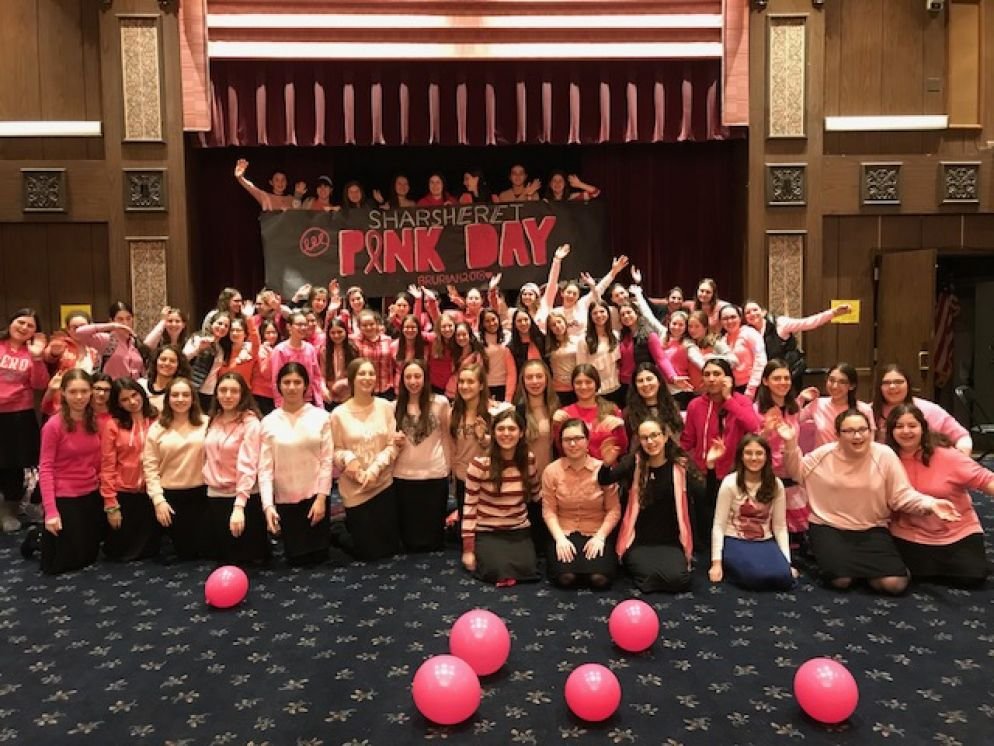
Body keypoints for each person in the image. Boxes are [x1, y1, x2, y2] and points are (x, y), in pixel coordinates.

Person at [780, 409, 960, 594]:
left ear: (870, 431)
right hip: (829, 526)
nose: (857, 436)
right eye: (849, 431)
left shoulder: (884, 455)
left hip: (871, 528)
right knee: (841, 581)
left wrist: (931, 504)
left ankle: (867, 571)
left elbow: (901, 495)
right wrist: (791, 443)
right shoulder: (823, 455)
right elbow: (797, 472)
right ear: (838, 435)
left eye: (862, 430)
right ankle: (847, 566)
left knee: (894, 585)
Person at [886, 404, 994, 586]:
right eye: (899, 426)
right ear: (891, 431)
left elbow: (985, 479)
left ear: (923, 428)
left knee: (972, 578)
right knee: (904, 576)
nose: (906, 431)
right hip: (909, 532)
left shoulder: (947, 455)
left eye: (912, 426)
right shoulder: (887, 458)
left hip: (955, 530)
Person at [599, 417, 697, 593]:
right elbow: (605, 480)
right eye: (644, 438)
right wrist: (606, 464)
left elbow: (703, 495)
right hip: (639, 541)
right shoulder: (634, 463)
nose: (650, 442)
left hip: (670, 542)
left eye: (654, 435)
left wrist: (711, 467)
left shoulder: (680, 466)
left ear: (665, 437)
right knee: (648, 577)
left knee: (680, 580)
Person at [680, 357, 762, 548]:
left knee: (731, 523)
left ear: (728, 378)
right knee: (706, 522)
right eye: (707, 374)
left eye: (717, 374)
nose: (711, 379)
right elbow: (688, 440)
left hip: (734, 472)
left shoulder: (741, 402)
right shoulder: (695, 405)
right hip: (703, 472)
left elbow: (754, 427)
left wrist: (728, 399)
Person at [258, 362, 333, 566]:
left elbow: (327, 462)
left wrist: (321, 498)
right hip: (286, 501)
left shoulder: (321, 417)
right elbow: (264, 470)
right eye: (287, 382)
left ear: (306, 385)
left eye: (297, 382)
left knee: (320, 558)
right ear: (279, 386)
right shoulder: (268, 422)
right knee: (297, 560)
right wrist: (268, 506)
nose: (292, 387)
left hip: (316, 499)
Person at [330, 358, 402, 561]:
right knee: (368, 553)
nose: (367, 378)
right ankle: (337, 530)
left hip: (382, 483)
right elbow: (335, 450)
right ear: (352, 379)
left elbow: (394, 444)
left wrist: (375, 470)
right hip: (356, 487)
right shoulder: (338, 414)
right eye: (362, 373)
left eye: (371, 373)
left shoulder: (385, 407)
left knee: (390, 548)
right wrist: (350, 461)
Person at [461, 409, 539, 585]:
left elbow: (536, 493)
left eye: (512, 429)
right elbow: (469, 508)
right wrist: (468, 550)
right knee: (496, 570)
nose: (506, 434)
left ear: (521, 433)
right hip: (488, 530)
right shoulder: (479, 465)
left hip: (518, 529)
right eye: (501, 429)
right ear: (494, 433)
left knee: (527, 569)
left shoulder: (528, 460)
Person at [709, 434, 795, 590]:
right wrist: (716, 563)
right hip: (734, 538)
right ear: (741, 457)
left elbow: (780, 527)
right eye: (748, 453)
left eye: (759, 453)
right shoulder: (730, 482)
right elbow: (719, 525)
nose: (754, 458)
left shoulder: (776, 484)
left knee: (784, 577)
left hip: (764, 540)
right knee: (753, 577)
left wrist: (787, 562)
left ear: (766, 457)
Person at [542, 418, 620, 588]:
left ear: (587, 440)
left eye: (578, 438)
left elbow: (613, 510)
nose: (572, 444)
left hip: (596, 531)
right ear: (561, 443)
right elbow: (549, 511)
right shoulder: (551, 471)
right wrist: (559, 538)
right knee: (566, 578)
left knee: (599, 580)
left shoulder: (603, 469)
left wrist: (600, 537)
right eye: (567, 440)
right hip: (564, 532)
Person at [37, 370, 102, 574]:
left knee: (89, 556)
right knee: (61, 564)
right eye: (73, 392)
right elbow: (46, 468)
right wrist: (51, 511)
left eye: (84, 391)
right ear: (63, 393)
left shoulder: (94, 421)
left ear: (91, 392)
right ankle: (35, 539)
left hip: (90, 492)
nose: (79, 397)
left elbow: (97, 461)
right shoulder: (53, 426)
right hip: (64, 495)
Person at [204, 372, 269, 566]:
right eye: (223, 390)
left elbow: (248, 464)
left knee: (250, 564)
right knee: (224, 561)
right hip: (216, 496)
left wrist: (239, 506)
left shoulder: (251, 423)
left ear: (242, 395)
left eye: (234, 391)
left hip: (244, 498)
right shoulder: (213, 419)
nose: (228, 395)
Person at [142, 377, 209, 561]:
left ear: (193, 398)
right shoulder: (157, 428)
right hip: (170, 498)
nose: (180, 399)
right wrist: (158, 501)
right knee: (182, 555)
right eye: (175, 395)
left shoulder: (206, 423)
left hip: (202, 496)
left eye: (185, 395)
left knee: (206, 553)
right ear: (168, 399)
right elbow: (150, 468)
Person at [393, 359, 451, 552]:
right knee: (410, 536)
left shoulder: (440, 403)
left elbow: (447, 436)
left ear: (425, 378)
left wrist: (448, 467)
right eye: (408, 377)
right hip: (404, 474)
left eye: (417, 376)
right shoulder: (394, 406)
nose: (413, 381)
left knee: (433, 535)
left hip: (434, 473)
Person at [100, 378, 160, 562]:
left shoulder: (157, 419)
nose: (132, 402)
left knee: (151, 552)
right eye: (125, 400)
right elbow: (107, 466)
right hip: (124, 493)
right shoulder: (113, 425)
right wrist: (111, 505)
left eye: (134, 395)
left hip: (151, 492)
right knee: (120, 553)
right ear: (118, 404)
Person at [0, 309, 49, 532]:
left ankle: (9, 512)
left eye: (30, 326)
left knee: (14, 466)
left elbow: (40, 384)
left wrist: (37, 357)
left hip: (19, 414)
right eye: (21, 322)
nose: (24, 328)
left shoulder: (33, 353)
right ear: (11, 322)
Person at [448, 364, 512, 528]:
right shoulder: (453, 413)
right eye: (461, 382)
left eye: (470, 382)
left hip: (489, 479)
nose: (465, 386)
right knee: (466, 528)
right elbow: (452, 447)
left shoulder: (496, 412)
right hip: (463, 479)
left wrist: (483, 438)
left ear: (481, 385)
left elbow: (506, 445)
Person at [754, 360, 808, 543]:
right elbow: (750, 445)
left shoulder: (794, 408)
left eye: (786, 378)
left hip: (792, 471)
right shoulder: (756, 410)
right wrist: (766, 432)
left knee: (797, 534)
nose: (783, 382)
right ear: (765, 381)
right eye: (777, 378)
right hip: (767, 474)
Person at [743, 299, 850, 391]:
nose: (752, 314)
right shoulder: (746, 332)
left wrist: (833, 313)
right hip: (769, 379)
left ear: (763, 312)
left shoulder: (780, 323)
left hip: (790, 375)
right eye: (748, 312)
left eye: (755, 310)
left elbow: (808, 322)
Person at [873, 363, 972, 455]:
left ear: (908, 384)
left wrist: (960, 459)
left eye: (899, 382)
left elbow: (962, 437)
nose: (892, 386)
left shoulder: (929, 410)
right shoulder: (868, 411)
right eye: (886, 383)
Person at [554, 365, 629, 462]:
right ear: (573, 386)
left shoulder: (611, 410)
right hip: (576, 468)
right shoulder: (565, 413)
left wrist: (620, 428)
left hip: (607, 467)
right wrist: (556, 426)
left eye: (588, 382)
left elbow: (622, 449)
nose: (583, 386)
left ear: (596, 384)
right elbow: (561, 450)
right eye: (578, 383)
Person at [797, 363, 875, 448]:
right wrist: (801, 399)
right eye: (831, 380)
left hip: (853, 455)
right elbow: (793, 421)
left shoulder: (864, 409)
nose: (835, 386)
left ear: (852, 386)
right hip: (823, 455)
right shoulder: (817, 404)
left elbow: (870, 444)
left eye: (842, 382)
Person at [514, 359, 560, 486]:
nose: (535, 381)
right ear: (523, 381)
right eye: (529, 377)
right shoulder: (517, 412)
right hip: (526, 481)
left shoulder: (557, 409)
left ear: (547, 379)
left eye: (539, 376)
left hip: (553, 481)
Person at [75, 301, 146, 380]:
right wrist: (112, 326)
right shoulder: (106, 340)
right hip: (112, 385)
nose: (125, 323)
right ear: (112, 320)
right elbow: (79, 332)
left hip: (133, 385)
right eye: (120, 319)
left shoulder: (136, 342)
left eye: (128, 318)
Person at [269, 310, 327, 407]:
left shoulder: (310, 349)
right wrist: (280, 404)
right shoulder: (280, 350)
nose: (303, 328)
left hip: (308, 400)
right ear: (289, 327)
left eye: (305, 325)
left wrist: (319, 402)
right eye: (299, 325)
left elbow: (316, 377)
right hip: (288, 401)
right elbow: (276, 379)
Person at [576, 300, 622, 406]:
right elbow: (581, 369)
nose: (599, 315)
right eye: (595, 313)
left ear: (608, 314)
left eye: (602, 311)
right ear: (590, 316)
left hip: (617, 387)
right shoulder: (583, 340)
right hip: (597, 391)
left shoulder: (616, 335)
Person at [624, 363, 683, 444]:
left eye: (649, 379)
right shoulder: (629, 413)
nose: (645, 384)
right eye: (640, 381)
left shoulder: (672, 406)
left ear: (659, 382)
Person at [718, 303, 766, 399]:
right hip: (733, 388)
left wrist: (751, 389)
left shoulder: (750, 333)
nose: (729, 321)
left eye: (733, 317)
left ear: (740, 318)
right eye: (725, 318)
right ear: (720, 322)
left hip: (754, 387)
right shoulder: (722, 341)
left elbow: (760, 361)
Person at [686, 309, 736, 393]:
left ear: (705, 327)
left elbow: (734, 360)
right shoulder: (690, 344)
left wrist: (712, 358)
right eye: (690, 326)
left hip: (713, 391)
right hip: (695, 391)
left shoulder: (715, 342)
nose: (692, 330)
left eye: (697, 326)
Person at [352, 309, 396, 400]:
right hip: (364, 389)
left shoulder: (387, 340)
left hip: (386, 388)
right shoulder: (355, 342)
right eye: (364, 325)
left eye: (371, 324)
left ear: (377, 324)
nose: (368, 327)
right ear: (359, 327)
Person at [233, 159, 304, 211]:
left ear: (287, 182)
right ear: (271, 182)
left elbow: (298, 216)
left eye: (283, 180)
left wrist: (298, 195)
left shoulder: (291, 199)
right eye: (277, 180)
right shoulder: (265, 197)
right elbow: (250, 187)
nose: (280, 183)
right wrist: (240, 177)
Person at [140, 344, 190, 412]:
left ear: (178, 365)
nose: (167, 363)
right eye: (163, 359)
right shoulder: (141, 385)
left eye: (172, 361)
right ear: (156, 361)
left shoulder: (181, 391)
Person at [480, 308, 515, 402]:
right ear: (482, 324)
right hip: (485, 386)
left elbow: (511, 369)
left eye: (493, 319)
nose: (491, 323)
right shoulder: (478, 340)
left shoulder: (508, 336)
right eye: (487, 321)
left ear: (498, 319)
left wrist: (508, 396)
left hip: (504, 384)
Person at [545, 311, 579, 405]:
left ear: (565, 322)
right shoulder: (548, 345)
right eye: (553, 325)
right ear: (550, 329)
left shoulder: (577, 341)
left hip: (578, 385)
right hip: (559, 388)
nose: (557, 326)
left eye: (559, 322)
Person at [324, 317, 357, 406]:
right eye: (333, 333)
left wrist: (343, 382)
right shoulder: (324, 350)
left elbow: (356, 372)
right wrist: (323, 389)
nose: (336, 335)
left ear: (345, 332)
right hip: (330, 395)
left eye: (340, 332)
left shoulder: (353, 349)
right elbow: (321, 375)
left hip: (349, 394)